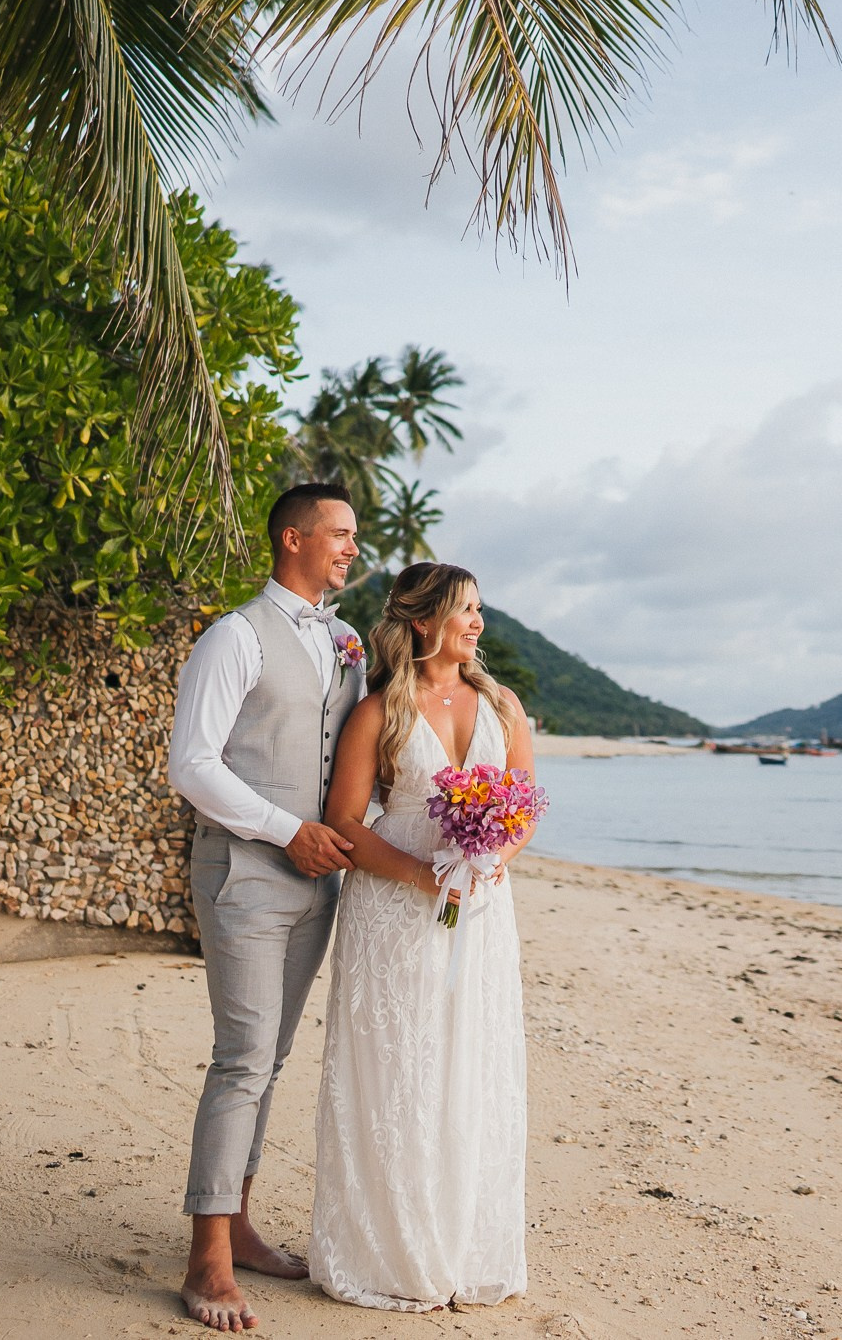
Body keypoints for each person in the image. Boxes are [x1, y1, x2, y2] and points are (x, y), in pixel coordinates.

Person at [309, 561, 536, 1311]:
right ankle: (396, 1252)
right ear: (420, 620)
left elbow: (525, 807)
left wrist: (489, 860)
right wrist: (419, 874)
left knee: (470, 1062)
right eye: (464, 610)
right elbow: (344, 821)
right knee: (398, 1067)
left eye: (478, 610)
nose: (477, 623)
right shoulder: (380, 711)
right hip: (393, 908)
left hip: (481, 909)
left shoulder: (502, 706)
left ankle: (464, 1246)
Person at [167, 483, 365, 1332]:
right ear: (293, 538)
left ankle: (240, 1222)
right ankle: (206, 1255)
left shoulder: (347, 642)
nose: (352, 548)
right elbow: (193, 764)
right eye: (340, 535)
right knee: (242, 1056)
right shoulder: (234, 636)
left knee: (272, 1058)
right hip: (244, 874)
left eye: (354, 537)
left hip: (317, 884)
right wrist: (287, 830)